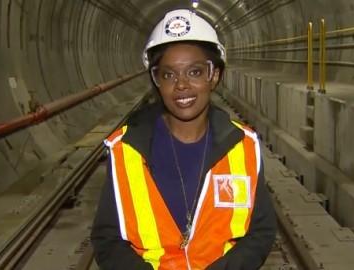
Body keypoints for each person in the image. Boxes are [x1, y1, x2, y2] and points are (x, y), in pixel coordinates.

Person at [90, 8, 277, 270]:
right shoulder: (126, 150)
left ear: (214, 76)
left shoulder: (241, 146)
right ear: (157, 82)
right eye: (168, 75)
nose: (181, 85)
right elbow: (107, 239)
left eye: (194, 72)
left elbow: (260, 231)